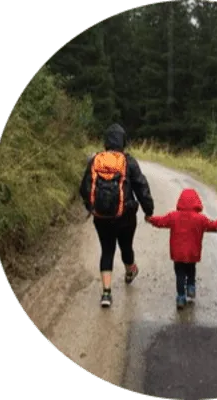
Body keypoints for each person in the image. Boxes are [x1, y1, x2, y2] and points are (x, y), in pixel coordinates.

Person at [80, 123, 154, 308]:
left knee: (107, 250)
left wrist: (91, 206)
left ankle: (106, 293)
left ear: (106, 141)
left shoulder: (95, 160)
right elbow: (141, 187)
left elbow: (84, 188)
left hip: (101, 217)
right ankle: (130, 270)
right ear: (123, 141)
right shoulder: (128, 162)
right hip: (126, 215)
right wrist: (148, 211)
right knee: (126, 246)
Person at [145, 188, 217, 310]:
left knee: (179, 274)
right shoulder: (200, 219)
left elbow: (161, 222)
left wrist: (150, 219)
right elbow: (215, 226)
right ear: (197, 202)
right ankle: (191, 287)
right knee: (191, 269)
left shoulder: (173, 216)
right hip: (192, 253)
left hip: (178, 254)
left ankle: (181, 297)